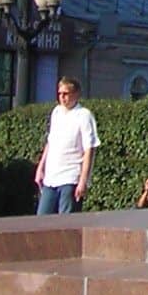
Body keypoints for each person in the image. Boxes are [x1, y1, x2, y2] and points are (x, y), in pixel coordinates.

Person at [34, 78, 97, 215]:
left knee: (66, 222)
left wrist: (83, 180)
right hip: (51, 178)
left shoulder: (84, 115)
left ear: (76, 94)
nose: (62, 97)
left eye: (66, 94)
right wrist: (40, 168)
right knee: (42, 219)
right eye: (60, 93)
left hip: (70, 176)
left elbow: (89, 149)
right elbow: (50, 142)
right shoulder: (56, 112)